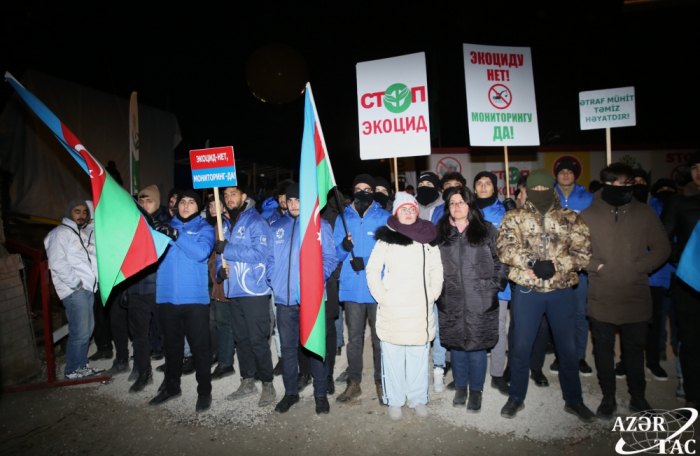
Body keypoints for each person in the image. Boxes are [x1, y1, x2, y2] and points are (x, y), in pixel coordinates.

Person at [497, 169, 595, 422]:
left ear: (551, 188)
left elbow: (583, 252)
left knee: (567, 347)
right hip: (528, 291)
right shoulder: (514, 217)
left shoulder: (570, 217)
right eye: (535, 188)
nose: (540, 192)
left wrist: (556, 265)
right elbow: (505, 248)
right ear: (528, 190)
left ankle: (573, 400)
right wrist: (530, 262)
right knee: (520, 346)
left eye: (544, 188)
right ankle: (516, 397)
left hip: (560, 290)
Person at [580, 163, 670, 418]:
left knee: (633, 349)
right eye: (621, 185)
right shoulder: (588, 215)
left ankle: (638, 397)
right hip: (602, 294)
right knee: (603, 350)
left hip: (635, 293)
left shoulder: (645, 213)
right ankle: (608, 397)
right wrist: (596, 266)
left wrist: (642, 266)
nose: (627, 189)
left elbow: (662, 248)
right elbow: (576, 253)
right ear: (607, 184)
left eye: (630, 185)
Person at [366, 192, 443, 420]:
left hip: (420, 307)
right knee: (394, 357)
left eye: (411, 209)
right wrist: (382, 295)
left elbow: (436, 269)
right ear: (396, 213)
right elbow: (372, 269)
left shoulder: (428, 236)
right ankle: (395, 400)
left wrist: (433, 293)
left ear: (417, 211)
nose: (408, 213)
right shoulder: (386, 238)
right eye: (403, 209)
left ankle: (418, 398)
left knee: (419, 357)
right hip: (394, 308)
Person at [267, 183, 338, 414]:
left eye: (298, 200)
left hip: (311, 299)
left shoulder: (320, 225)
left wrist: (315, 282)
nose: (294, 204)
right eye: (290, 200)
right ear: (285, 203)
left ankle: (320, 394)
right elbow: (269, 259)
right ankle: (290, 393)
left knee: (315, 348)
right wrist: (273, 279)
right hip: (284, 301)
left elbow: (330, 259)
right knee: (287, 349)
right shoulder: (276, 226)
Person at [436, 186, 508, 413]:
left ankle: (476, 391)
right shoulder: (441, 233)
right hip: (452, 299)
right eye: (452, 203)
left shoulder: (486, 230)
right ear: (448, 207)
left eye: (461, 202)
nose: (457, 206)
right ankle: (460, 387)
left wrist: (493, 287)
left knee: (477, 347)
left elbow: (502, 261)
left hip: (481, 299)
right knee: (456, 347)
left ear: (470, 204)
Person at [148, 190, 214, 413]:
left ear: (198, 206)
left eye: (191, 202)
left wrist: (176, 235)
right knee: (172, 348)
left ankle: (204, 391)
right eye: (182, 202)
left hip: (194, 300)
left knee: (200, 349)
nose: (186, 205)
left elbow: (201, 252)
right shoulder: (162, 228)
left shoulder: (204, 228)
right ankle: (171, 386)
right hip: (166, 298)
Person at [214, 185, 276, 407]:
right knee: (241, 339)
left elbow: (261, 254)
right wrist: (219, 274)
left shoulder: (256, 221)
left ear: (243, 197)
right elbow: (220, 258)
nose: (229, 198)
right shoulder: (225, 224)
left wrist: (227, 248)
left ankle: (268, 384)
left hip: (254, 290)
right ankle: (247, 381)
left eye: (233, 194)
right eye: (226, 195)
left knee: (257, 339)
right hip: (234, 290)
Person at [334, 174, 390, 404]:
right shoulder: (343, 218)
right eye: (358, 189)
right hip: (351, 288)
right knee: (354, 338)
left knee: (379, 338)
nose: (363, 193)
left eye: (367, 189)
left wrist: (367, 262)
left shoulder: (385, 217)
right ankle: (354, 383)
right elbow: (336, 253)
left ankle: (381, 381)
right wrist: (344, 246)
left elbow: (390, 252)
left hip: (377, 287)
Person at [44, 199, 102, 379]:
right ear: (69, 212)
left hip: (86, 289)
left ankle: (81, 365)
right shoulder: (60, 233)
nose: (82, 215)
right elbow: (57, 263)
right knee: (80, 331)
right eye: (77, 211)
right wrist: (76, 284)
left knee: (87, 330)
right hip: (75, 290)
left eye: (85, 212)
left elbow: (90, 255)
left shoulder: (77, 232)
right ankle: (72, 369)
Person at [661, 150, 700, 415]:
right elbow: (663, 242)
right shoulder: (679, 204)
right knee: (691, 340)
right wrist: (686, 257)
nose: (699, 172)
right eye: (696, 167)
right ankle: (693, 393)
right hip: (691, 284)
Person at [550, 159, 594, 377]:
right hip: (554, 266)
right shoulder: (549, 195)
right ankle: (561, 356)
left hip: (579, 268)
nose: (565, 175)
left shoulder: (589, 199)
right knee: (559, 315)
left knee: (579, 314)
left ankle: (579, 357)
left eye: (569, 171)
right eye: (562, 171)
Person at [126, 185, 172, 392]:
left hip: (159, 288)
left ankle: (171, 374)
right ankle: (144, 373)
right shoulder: (131, 224)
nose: (144, 205)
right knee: (139, 335)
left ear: (157, 203)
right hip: (136, 288)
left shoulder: (167, 224)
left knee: (166, 334)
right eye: (141, 201)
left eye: (149, 201)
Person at [472, 171, 514, 395]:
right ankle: (473, 372)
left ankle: (497, 374)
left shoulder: (505, 212)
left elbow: (514, 244)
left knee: (499, 328)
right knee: (475, 327)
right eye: (479, 183)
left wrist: (515, 212)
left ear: (495, 187)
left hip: (499, 281)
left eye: (488, 183)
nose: (484, 186)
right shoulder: (468, 211)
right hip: (473, 281)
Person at [431, 171, 467, 393]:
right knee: (440, 324)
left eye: (457, 186)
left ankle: (462, 369)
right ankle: (439, 366)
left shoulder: (469, 210)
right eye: (448, 186)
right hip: (442, 280)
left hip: (465, 281)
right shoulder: (437, 213)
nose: (452, 189)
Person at [204, 194, 226, 371]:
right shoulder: (211, 227)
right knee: (212, 320)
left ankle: (223, 356)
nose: (212, 208)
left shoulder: (224, 227)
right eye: (210, 206)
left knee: (222, 320)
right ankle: (215, 352)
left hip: (220, 279)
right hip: (211, 279)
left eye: (216, 205)